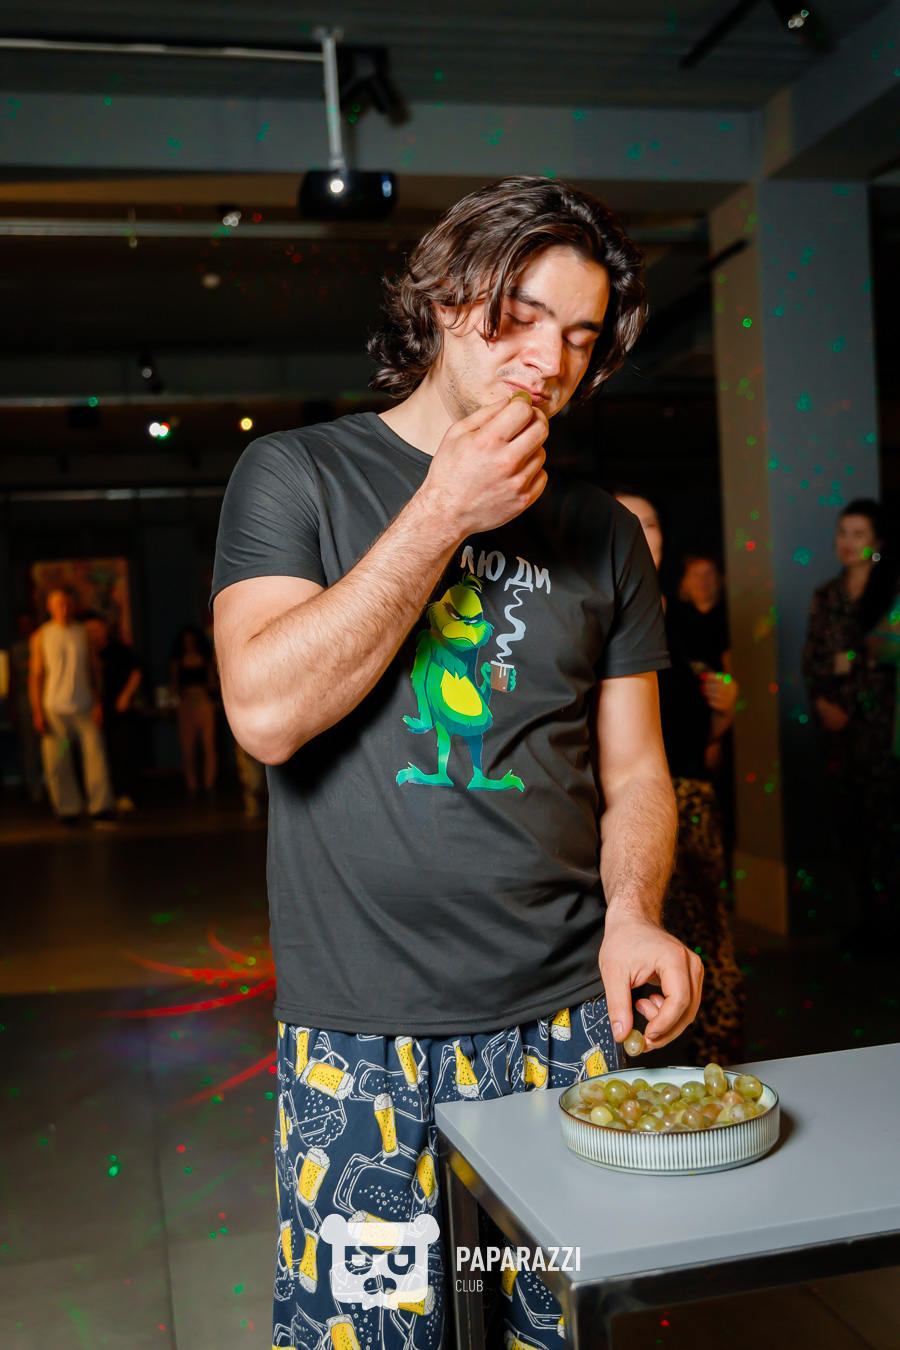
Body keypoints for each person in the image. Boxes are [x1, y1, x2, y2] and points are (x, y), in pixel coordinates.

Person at [212, 176, 703, 1350]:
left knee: (555, 1330)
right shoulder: (296, 476)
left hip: (564, 1026)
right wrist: (445, 511)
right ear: (442, 300)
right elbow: (266, 714)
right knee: (372, 1335)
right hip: (361, 1037)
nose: (551, 360)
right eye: (519, 317)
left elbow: (638, 773)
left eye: (580, 336)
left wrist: (635, 914)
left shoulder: (603, 533)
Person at [615, 491, 744, 1065]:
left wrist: (726, 712)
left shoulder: (690, 622)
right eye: (626, 521)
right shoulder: (591, 615)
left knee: (706, 936)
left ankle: (715, 1061)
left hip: (689, 796)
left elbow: (707, 730)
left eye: (650, 522)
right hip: (617, 814)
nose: (640, 533)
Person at [803, 499, 897, 952]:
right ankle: (868, 921)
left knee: (887, 824)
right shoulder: (827, 595)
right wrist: (823, 701)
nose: (847, 542)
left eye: (858, 534)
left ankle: (891, 923)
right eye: (843, 532)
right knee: (851, 824)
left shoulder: (890, 591)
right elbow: (814, 661)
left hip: (885, 728)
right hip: (838, 732)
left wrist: (853, 667)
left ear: (876, 541)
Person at [28, 588, 115, 825]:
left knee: (95, 757)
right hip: (55, 708)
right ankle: (68, 809)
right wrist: (37, 711)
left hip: (84, 705)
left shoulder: (82, 632)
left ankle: (100, 806)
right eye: (58, 604)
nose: (63, 609)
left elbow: (94, 669)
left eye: (66, 604)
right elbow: (36, 675)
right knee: (59, 761)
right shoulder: (41, 636)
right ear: (49, 607)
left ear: (73, 606)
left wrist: (98, 702)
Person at [84, 613, 143, 812]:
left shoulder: (119, 649)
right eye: (89, 630)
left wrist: (126, 695)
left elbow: (136, 671)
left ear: (105, 628)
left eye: (97, 629)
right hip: (92, 713)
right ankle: (100, 797)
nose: (93, 634)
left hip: (119, 711)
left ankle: (125, 794)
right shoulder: (84, 651)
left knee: (121, 752)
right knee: (97, 756)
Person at [169, 625, 218, 796]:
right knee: (188, 747)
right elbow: (174, 687)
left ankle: (209, 783)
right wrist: (171, 705)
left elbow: (212, 684)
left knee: (209, 745)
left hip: (204, 702)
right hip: (186, 704)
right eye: (186, 641)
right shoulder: (178, 662)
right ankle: (192, 785)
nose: (189, 644)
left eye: (192, 641)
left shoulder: (205, 660)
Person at [8, 610, 43, 804]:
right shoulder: (15, 649)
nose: (25, 627)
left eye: (28, 622)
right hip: (24, 702)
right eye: (21, 623)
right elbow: (12, 678)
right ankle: (34, 786)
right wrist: (11, 706)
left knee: (60, 744)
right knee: (29, 746)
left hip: (47, 700)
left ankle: (55, 780)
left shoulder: (44, 641)